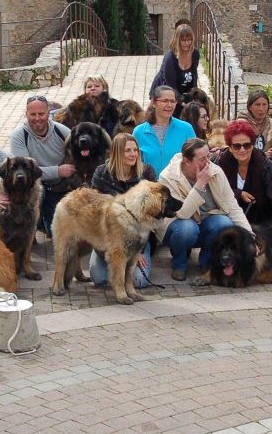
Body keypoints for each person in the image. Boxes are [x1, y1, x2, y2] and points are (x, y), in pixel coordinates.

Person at [158, 138, 253, 281]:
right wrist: (200, 185)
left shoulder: (215, 171)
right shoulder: (168, 177)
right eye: (202, 159)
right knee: (187, 228)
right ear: (187, 161)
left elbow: (233, 207)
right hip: (178, 227)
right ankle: (179, 264)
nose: (208, 162)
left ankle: (206, 263)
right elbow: (182, 213)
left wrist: (250, 236)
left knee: (224, 223)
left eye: (208, 156)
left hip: (206, 223)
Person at [215, 119, 272, 257]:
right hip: (229, 217)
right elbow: (214, 190)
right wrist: (238, 193)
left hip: (262, 220)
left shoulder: (265, 165)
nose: (242, 150)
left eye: (247, 145)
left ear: (253, 144)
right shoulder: (221, 162)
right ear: (229, 146)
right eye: (237, 146)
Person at [88, 133, 158, 288]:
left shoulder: (147, 173)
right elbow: (94, 210)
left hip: (139, 240)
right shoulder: (102, 173)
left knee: (138, 281)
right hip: (108, 240)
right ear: (117, 153)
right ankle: (110, 261)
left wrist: (137, 250)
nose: (133, 154)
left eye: (135, 150)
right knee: (100, 279)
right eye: (127, 150)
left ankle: (136, 260)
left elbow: (152, 215)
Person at [9, 95, 74, 236]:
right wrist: (58, 171)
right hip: (36, 186)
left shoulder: (61, 131)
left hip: (62, 185)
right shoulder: (19, 136)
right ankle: (32, 227)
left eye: (41, 114)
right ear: (26, 114)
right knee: (53, 229)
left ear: (48, 112)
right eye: (32, 114)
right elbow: (26, 173)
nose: (37, 118)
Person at [133, 85, 197, 175]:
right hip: (149, 186)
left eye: (173, 101)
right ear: (154, 103)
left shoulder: (186, 129)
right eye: (165, 101)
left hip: (178, 186)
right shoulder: (139, 132)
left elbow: (196, 159)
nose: (169, 105)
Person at [149, 23, 199, 115]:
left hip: (184, 90)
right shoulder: (170, 58)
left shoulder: (195, 54)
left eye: (189, 40)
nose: (187, 43)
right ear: (177, 40)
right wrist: (181, 102)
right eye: (183, 40)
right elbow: (171, 85)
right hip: (166, 91)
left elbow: (194, 77)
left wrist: (194, 98)